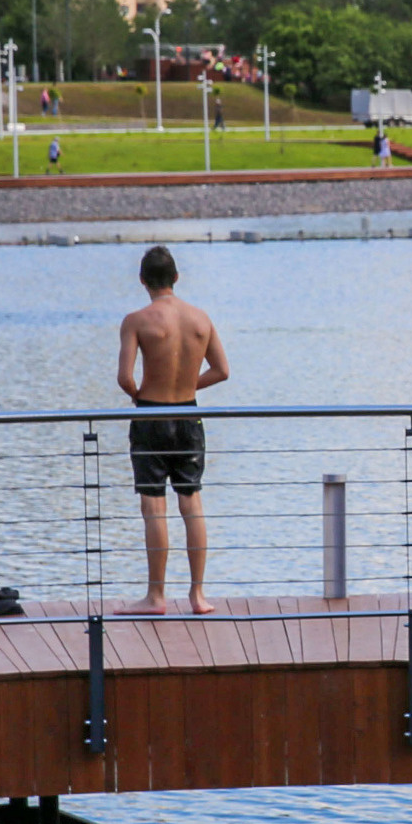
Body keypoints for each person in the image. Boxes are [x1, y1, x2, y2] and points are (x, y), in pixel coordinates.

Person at [116, 244, 229, 615]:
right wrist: (185, 386)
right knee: (191, 503)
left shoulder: (137, 320)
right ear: (176, 278)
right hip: (188, 416)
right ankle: (198, 596)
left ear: (142, 280)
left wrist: (142, 396)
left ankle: (156, 596)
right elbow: (222, 370)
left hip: (151, 416)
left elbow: (124, 378)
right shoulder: (200, 318)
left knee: (154, 507)